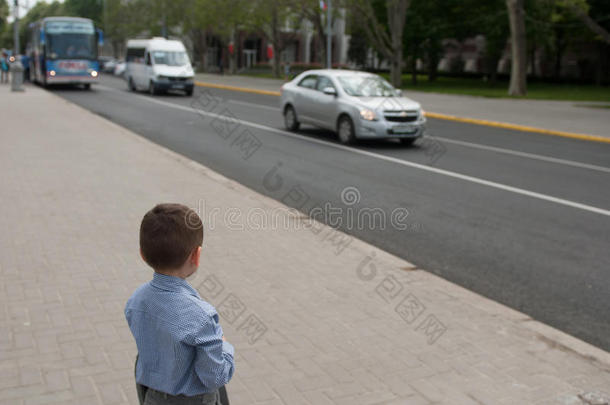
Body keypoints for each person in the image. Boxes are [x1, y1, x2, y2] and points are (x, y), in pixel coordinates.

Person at [125, 203, 234, 405]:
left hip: (153, 396)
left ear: (142, 254)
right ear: (196, 256)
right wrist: (224, 345)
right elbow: (215, 377)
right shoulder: (201, 316)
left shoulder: (135, 301)